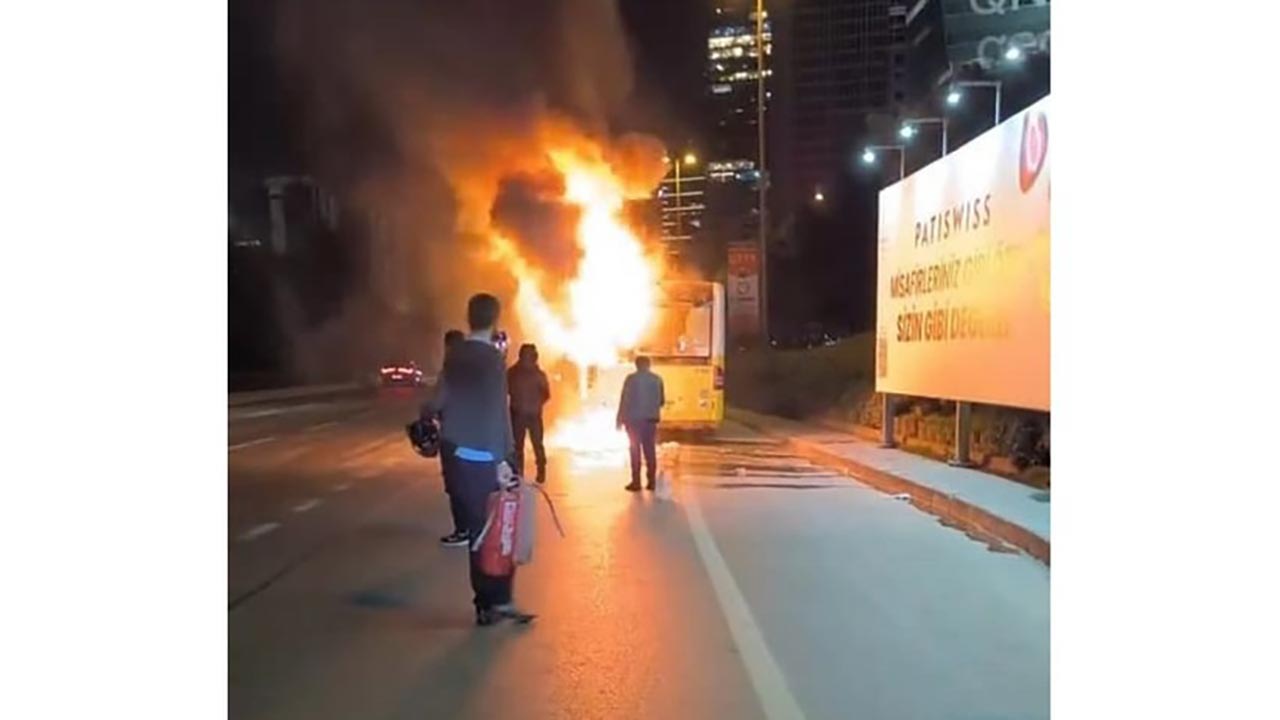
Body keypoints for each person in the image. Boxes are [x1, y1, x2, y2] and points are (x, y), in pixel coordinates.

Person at [426, 293, 533, 626]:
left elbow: (435, 402)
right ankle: (498, 600)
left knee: (477, 531)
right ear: (496, 319)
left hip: (456, 455)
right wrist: (506, 459)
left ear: (468, 317)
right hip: (487, 457)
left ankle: (485, 604)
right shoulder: (492, 360)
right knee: (502, 526)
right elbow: (497, 413)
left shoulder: (454, 356)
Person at [424, 329, 468, 547]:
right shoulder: (479, 367)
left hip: (453, 436)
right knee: (476, 483)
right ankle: (480, 527)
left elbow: (436, 402)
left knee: (455, 485)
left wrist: (426, 412)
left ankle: (463, 530)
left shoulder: (450, 371)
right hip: (479, 436)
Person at [615, 355, 665, 492]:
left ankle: (636, 482)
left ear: (636, 365)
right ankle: (652, 482)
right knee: (650, 451)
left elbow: (625, 400)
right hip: (651, 420)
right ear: (649, 365)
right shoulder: (657, 379)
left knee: (634, 450)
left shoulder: (631, 379)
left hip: (633, 421)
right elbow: (661, 401)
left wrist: (619, 419)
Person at [507, 343, 550, 484]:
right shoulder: (536, 375)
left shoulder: (513, 373)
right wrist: (536, 403)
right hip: (526, 414)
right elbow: (546, 394)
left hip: (523, 414)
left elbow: (505, 391)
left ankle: (524, 473)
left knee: (528, 445)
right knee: (529, 444)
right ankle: (532, 471)